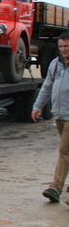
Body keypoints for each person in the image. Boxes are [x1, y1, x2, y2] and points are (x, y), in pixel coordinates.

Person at [32, 32, 69, 203]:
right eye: (61, 46)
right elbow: (47, 86)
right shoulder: (56, 64)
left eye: (66, 46)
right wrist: (37, 106)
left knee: (64, 151)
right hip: (60, 115)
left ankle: (56, 188)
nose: (63, 50)